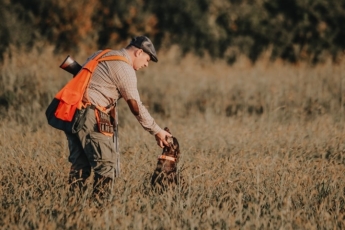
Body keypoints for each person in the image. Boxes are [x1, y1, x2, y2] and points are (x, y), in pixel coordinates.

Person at [65, 36, 172, 199]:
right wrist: (157, 131)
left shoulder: (101, 54)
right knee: (107, 167)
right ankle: (99, 210)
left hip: (73, 113)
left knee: (80, 166)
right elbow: (135, 107)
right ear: (139, 52)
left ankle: (71, 208)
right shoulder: (125, 69)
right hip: (90, 116)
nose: (146, 65)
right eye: (147, 59)